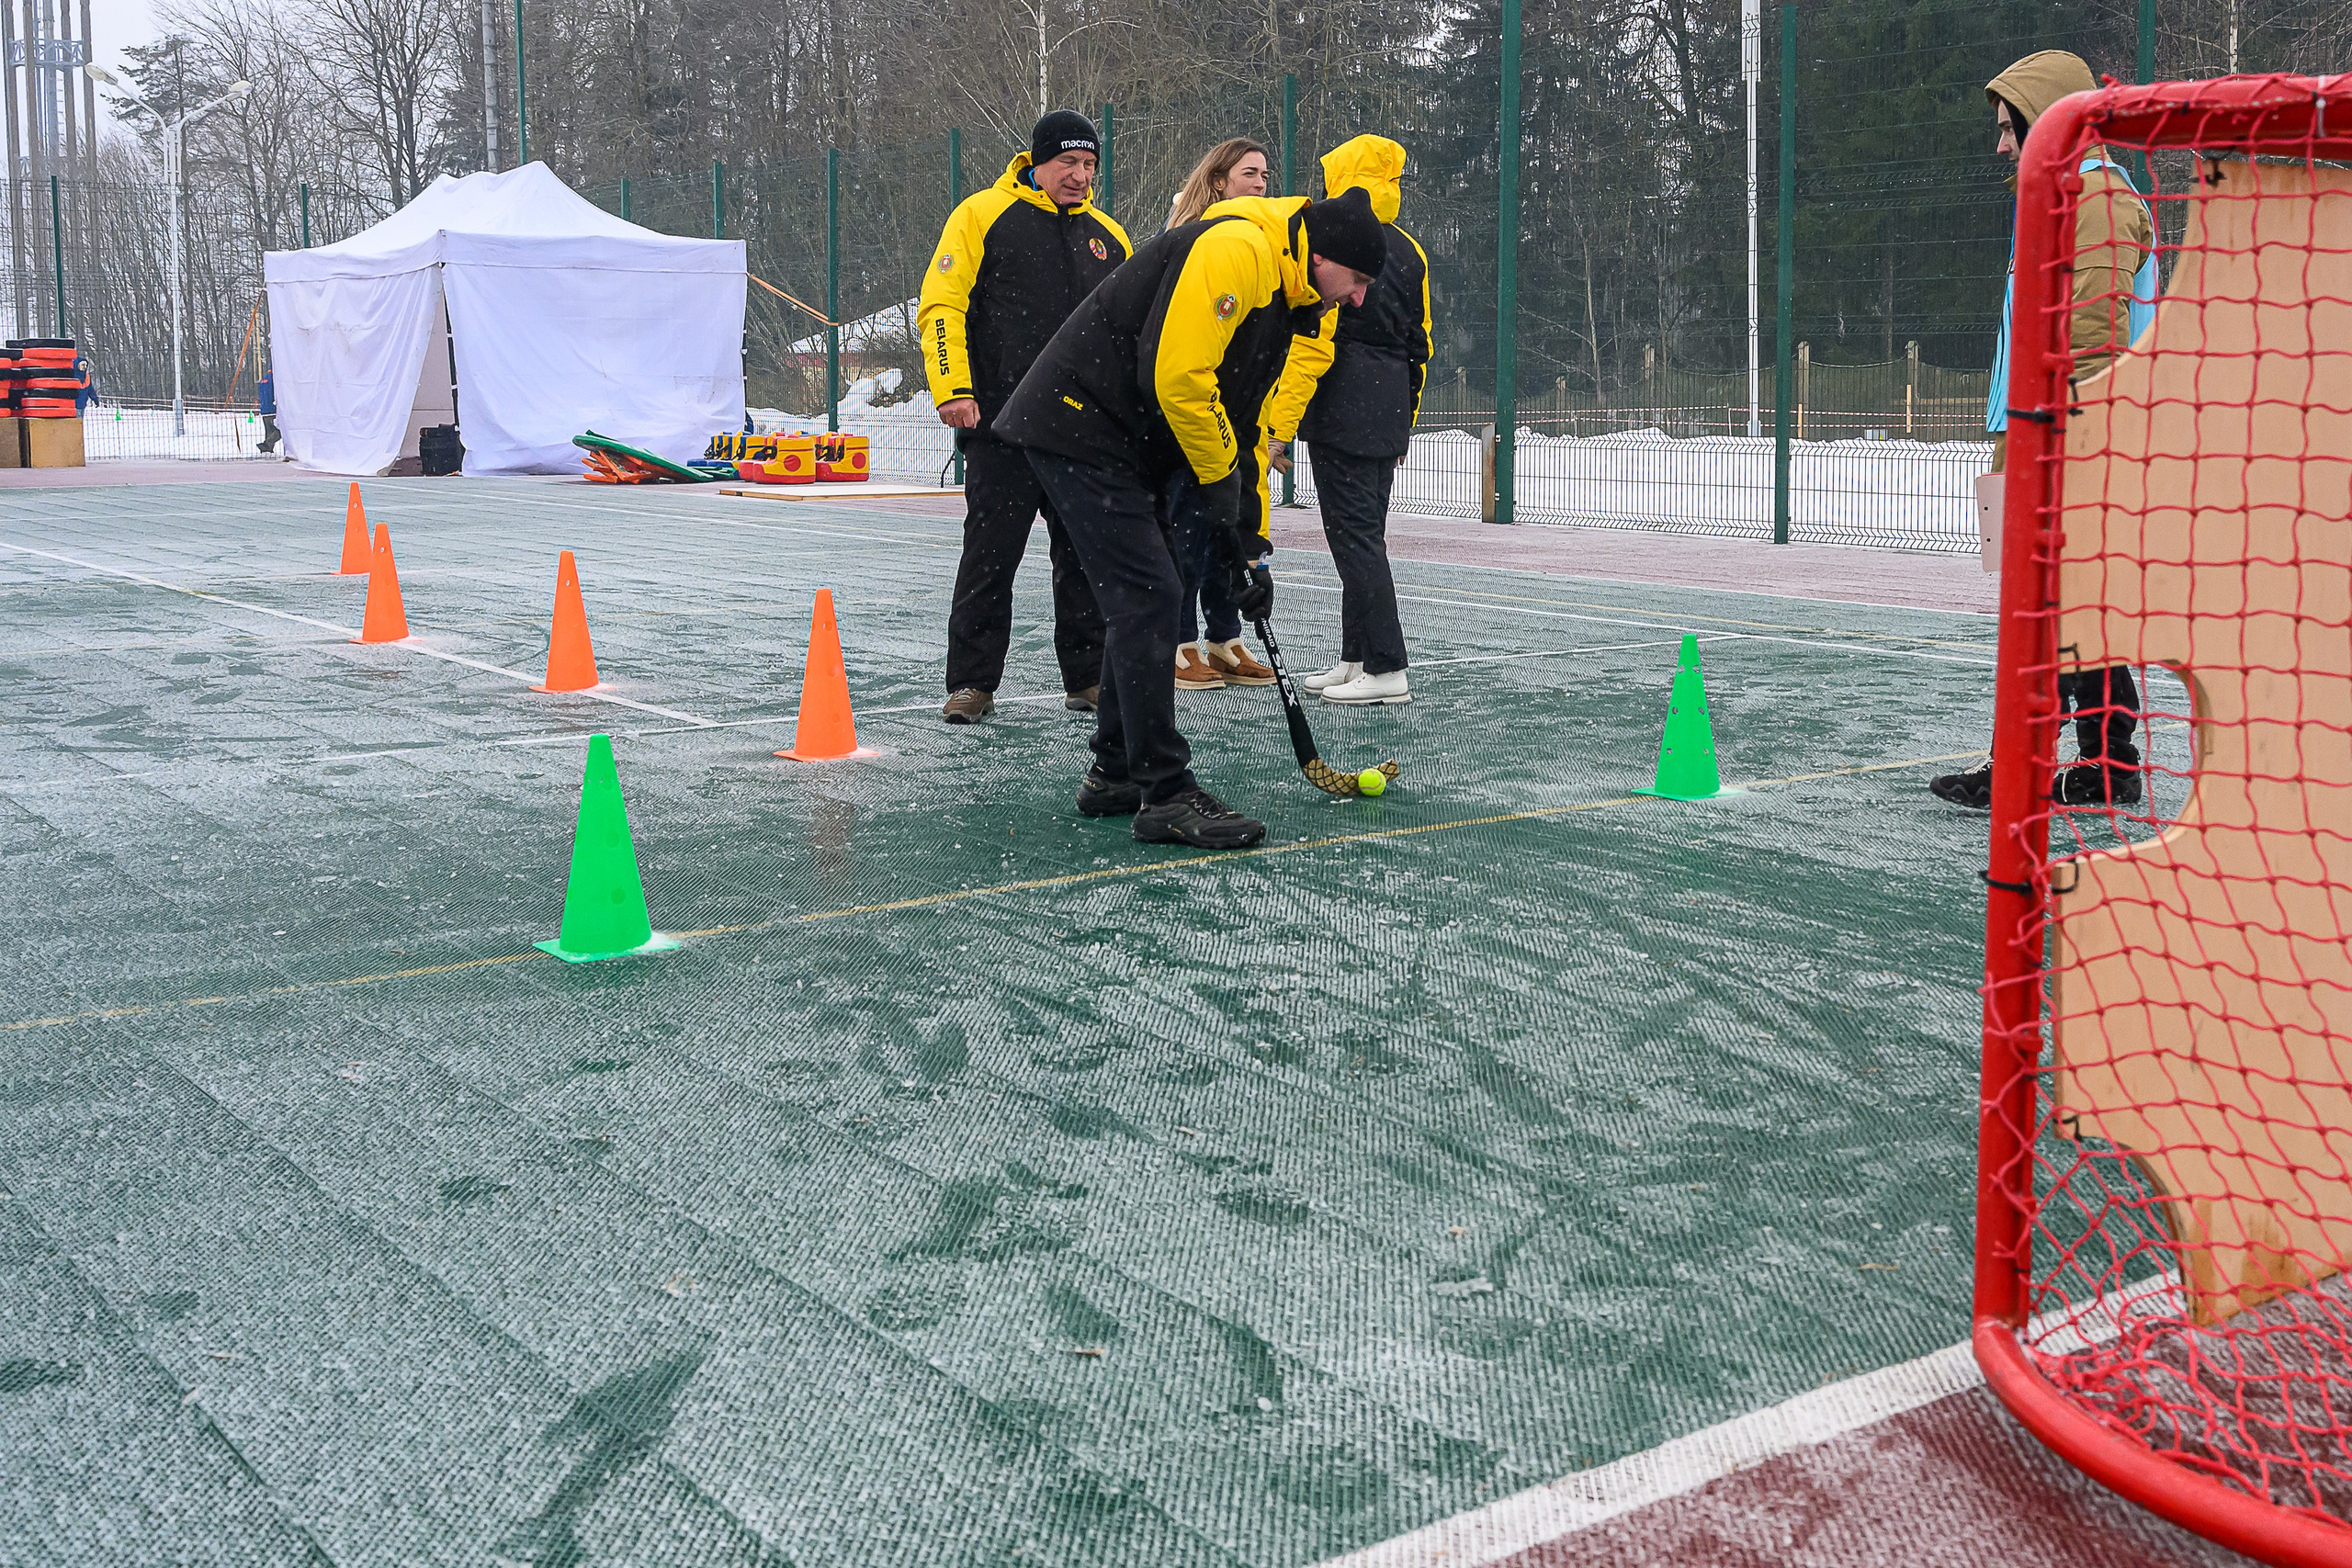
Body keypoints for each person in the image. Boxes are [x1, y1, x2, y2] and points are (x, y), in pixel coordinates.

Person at [996, 187, 1388, 850]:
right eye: (1355, 282)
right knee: (1148, 594)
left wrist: (1244, 539)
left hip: (1125, 439)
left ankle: (1117, 771)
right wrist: (1216, 487)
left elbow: (1245, 421)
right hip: (1080, 422)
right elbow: (1179, 377)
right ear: (1322, 259)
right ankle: (1166, 793)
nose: (1358, 300)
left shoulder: (1294, 299)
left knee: (1150, 593)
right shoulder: (1239, 251)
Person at [1929, 50, 2154, 811]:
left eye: (2008, 127)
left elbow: (2092, 341)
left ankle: (2098, 762)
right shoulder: (2052, 197)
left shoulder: (2097, 199)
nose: (1999, 145)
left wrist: (2047, 446)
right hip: (2019, 438)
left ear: (2048, 115)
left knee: (2067, 607)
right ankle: (2030, 761)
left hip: (2068, 441)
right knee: (2029, 609)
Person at [920, 110, 1131, 725]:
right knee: (991, 556)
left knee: (1085, 559)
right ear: (1036, 162)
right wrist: (953, 387)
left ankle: (1089, 677)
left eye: (1089, 164)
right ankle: (972, 684)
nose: (1080, 175)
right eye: (1068, 162)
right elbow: (941, 304)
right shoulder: (982, 215)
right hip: (1003, 429)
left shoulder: (1110, 237)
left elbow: (1129, 333)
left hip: (1082, 435)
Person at [1263, 135, 1430, 706]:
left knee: (1354, 540)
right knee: (1365, 538)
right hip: (1385, 409)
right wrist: (1403, 415)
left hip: (1343, 406)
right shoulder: (1410, 250)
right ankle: (1356, 657)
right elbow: (1419, 344)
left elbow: (1314, 347)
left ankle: (1386, 667)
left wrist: (1281, 423)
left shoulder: (1334, 243)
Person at [1162, 138, 1278, 694]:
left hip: (1235, 413)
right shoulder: (1194, 241)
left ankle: (1224, 639)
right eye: (1249, 173)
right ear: (1217, 182)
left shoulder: (1262, 248)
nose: (1260, 182)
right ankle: (1179, 644)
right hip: (1192, 410)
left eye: (1264, 175)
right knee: (1187, 526)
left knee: (1225, 530)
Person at [255, 362, 279, 454]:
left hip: (265, 409)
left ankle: (267, 450)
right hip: (273, 409)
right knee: (280, 431)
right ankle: (267, 444)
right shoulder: (276, 379)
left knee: (269, 431)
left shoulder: (263, 379)